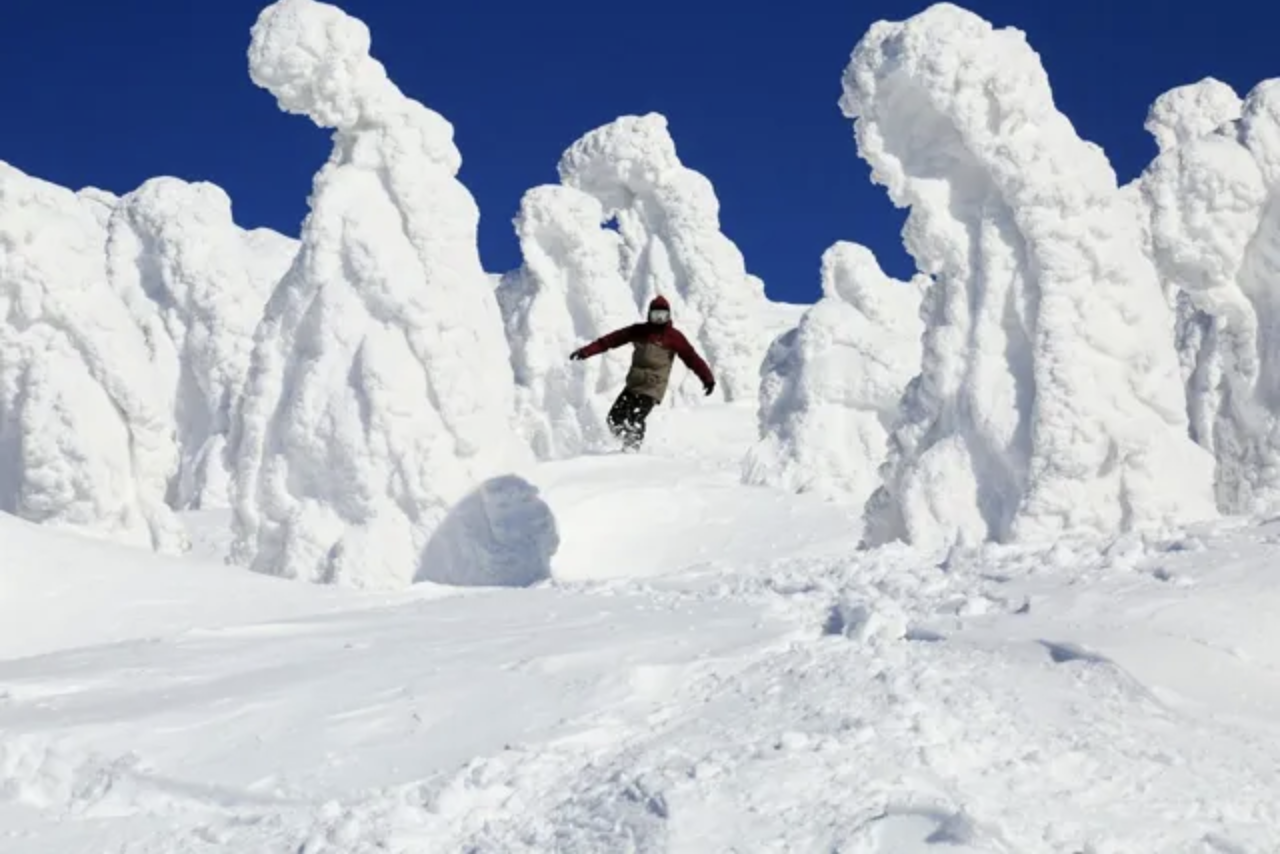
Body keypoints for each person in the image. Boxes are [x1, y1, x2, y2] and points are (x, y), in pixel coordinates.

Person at [569, 295, 716, 451]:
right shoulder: (639, 331)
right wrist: (586, 352)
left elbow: (692, 358)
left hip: (653, 386)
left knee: (635, 418)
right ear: (649, 315)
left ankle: (634, 450)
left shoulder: (674, 337)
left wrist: (707, 378)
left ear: (668, 316)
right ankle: (625, 442)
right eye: (656, 315)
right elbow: (610, 340)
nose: (659, 319)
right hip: (635, 383)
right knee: (614, 418)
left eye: (663, 316)